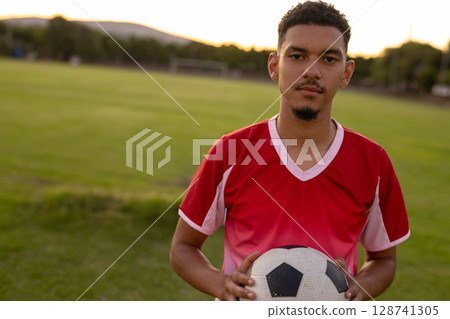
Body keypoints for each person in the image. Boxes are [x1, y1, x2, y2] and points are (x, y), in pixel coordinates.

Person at [170, 0, 410, 301]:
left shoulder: (372, 162)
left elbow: (384, 259)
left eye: (329, 59)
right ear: (274, 66)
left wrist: (362, 287)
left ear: (346, 73)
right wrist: (221, 285)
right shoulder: (232, 151)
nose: (312, 71)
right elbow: (183, 247)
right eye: (297, 56)